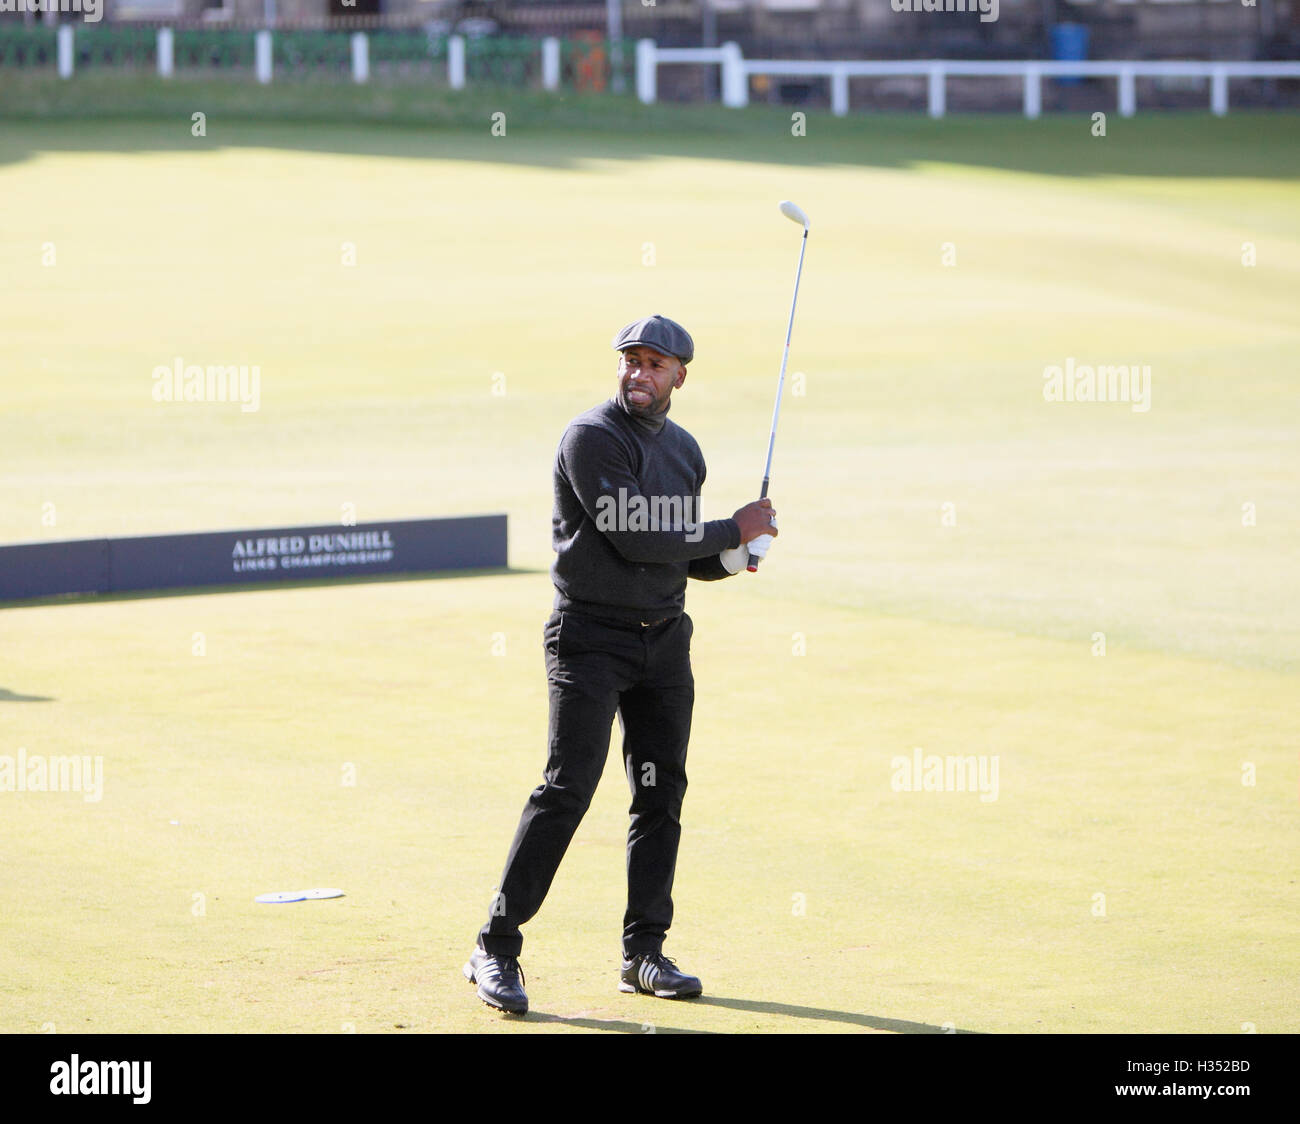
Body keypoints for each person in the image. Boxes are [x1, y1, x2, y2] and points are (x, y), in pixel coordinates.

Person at [464, 314, 778, 1015]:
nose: (639, 374)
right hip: (589, 638)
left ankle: (643, 954)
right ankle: (495, 945)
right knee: (567, 788)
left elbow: (681, 553)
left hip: (664, 643)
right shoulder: (592, 439)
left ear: (679, 377)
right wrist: (734, 527)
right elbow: (636, 536)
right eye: (631, 361)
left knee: (661, 793)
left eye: (655, 364)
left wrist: (733, 554)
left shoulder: (685, 450)